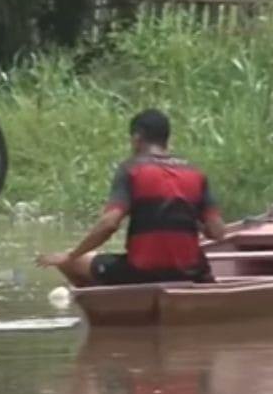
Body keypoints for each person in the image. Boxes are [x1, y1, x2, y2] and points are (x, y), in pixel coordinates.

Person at [37, 109, 226, 286]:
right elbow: (218, 232)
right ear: (167, 139)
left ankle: (113, 306)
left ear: (136, 138)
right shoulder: (195, 173)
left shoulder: (131, 169)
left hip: (140, 273)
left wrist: (71, 255)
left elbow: (109, 224)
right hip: (192, 273)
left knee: (69, 263)